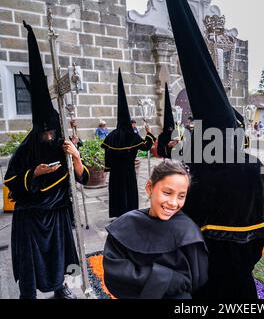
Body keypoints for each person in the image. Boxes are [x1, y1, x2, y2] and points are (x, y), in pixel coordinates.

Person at [166, 0, 264, 299]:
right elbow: (258, 236)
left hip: (202, 280)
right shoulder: (251, 166)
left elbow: (180, 233)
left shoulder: (193, 170)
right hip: (240, 280)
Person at [4, 22, 89, 299]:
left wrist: (75, 156)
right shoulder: (27, 150)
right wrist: (35, 173)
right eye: (45, 132)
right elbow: (11, 181)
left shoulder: (64, 144)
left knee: (62, 256)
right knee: (32, 263)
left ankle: (61, 288)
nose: (50, 136)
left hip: (59, 213)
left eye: (53, 130)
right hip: (31, 217)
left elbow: (82, 178)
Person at [103, 159, 208, 299]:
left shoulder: (188, 231)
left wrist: (147, 278)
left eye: (181, 196)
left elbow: (196, 279)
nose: (173, 203)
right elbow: (114, 272)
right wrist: (167, 279)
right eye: (167, 192)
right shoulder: (126, 224)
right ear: (149, 187)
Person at [102, 69, 156, 218]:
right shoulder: (132, 136)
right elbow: (146, 147)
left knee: (117, 192)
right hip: (128, 170)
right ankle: (130, 213)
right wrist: (149, 133)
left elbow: (107, 154)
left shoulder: (111, 136)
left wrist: (107, 168)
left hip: (115, 172)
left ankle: (118, 214)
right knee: (129, 191)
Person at [157, 83, 180, 159]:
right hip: (167, 162)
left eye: (172, 128)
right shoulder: (162, 136)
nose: (170, 130)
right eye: (169, 128)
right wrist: (168, 146)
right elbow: (159, 152)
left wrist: (178, 143)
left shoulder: (177, 134)